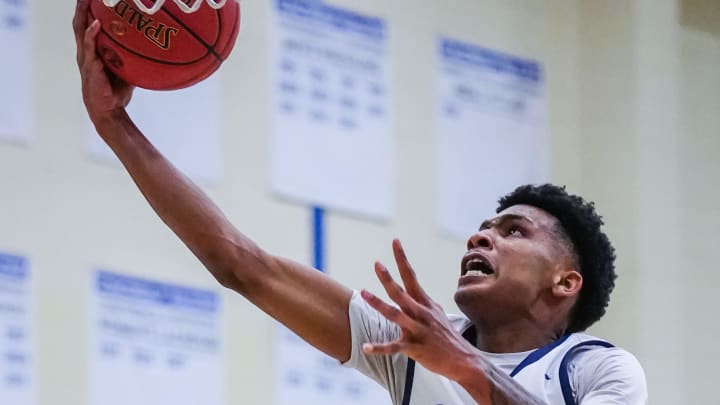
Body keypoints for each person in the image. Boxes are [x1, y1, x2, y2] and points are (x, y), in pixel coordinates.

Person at [73, 2, 647, 404]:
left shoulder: (596, 370)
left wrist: (462, 365)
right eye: (483, 228)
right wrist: (114, 125)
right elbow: (242, 266)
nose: (481, 237)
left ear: (565, 283)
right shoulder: (414, 342)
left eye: (514, 232)